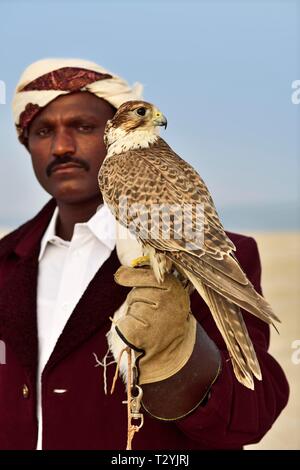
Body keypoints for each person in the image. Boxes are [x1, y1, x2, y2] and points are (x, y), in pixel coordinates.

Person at [0, 58, 289, 450]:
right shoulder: (5, 261)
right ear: (26, 142)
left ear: (107, 133)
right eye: (44, 131)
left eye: (84, 127)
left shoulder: (135, 168)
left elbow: (250, 416)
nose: (63, 146)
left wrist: (182, 357)